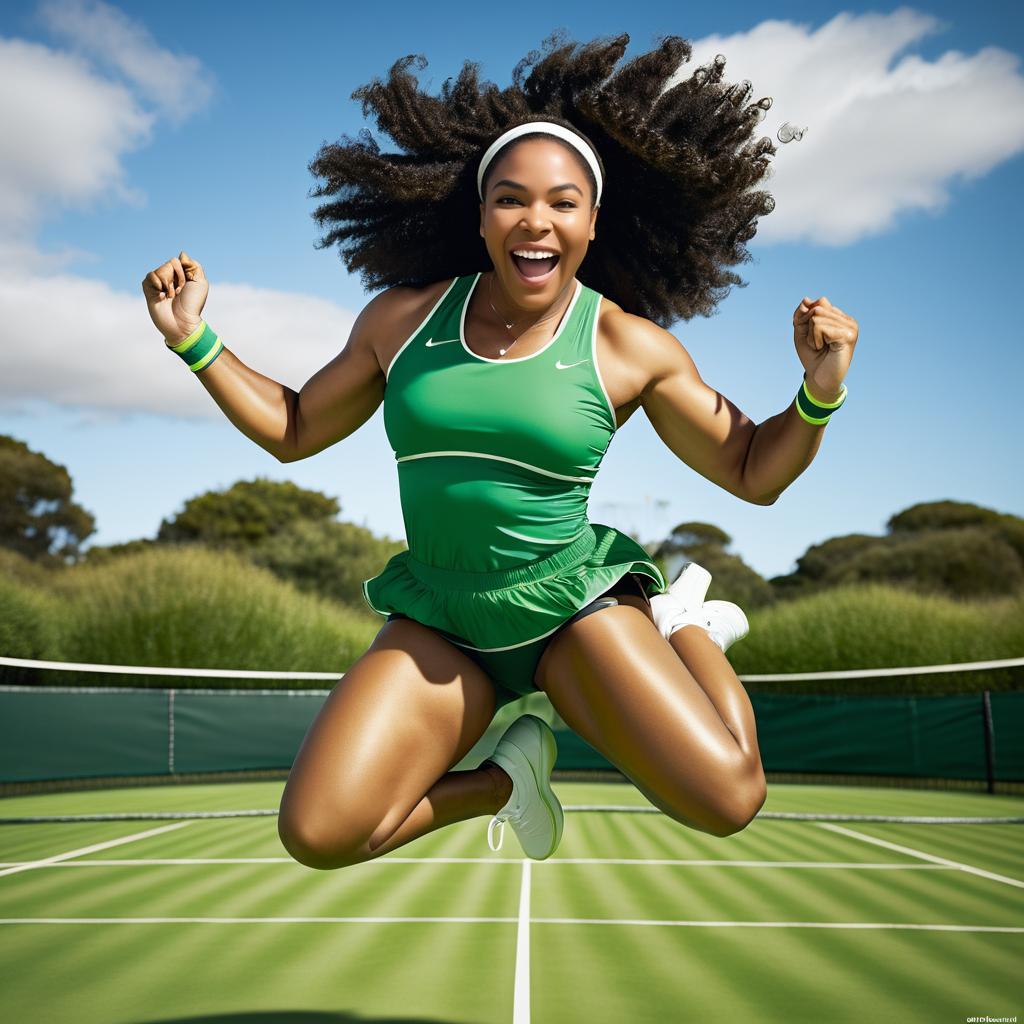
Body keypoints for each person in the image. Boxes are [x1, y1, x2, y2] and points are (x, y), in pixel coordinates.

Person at [141, 32, 858, 869]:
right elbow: (295, 428)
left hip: (572, 614)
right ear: (480, 216)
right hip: (444, 617)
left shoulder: (629, 347)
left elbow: (753, 472)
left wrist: (820, 389)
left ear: (593, 222)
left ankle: (684, 621)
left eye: (562, 202)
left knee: (733, 797)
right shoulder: (401, 321)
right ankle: (508, 784)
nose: (536, 221)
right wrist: (194, 341)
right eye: (512, 200)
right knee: (319, 833)